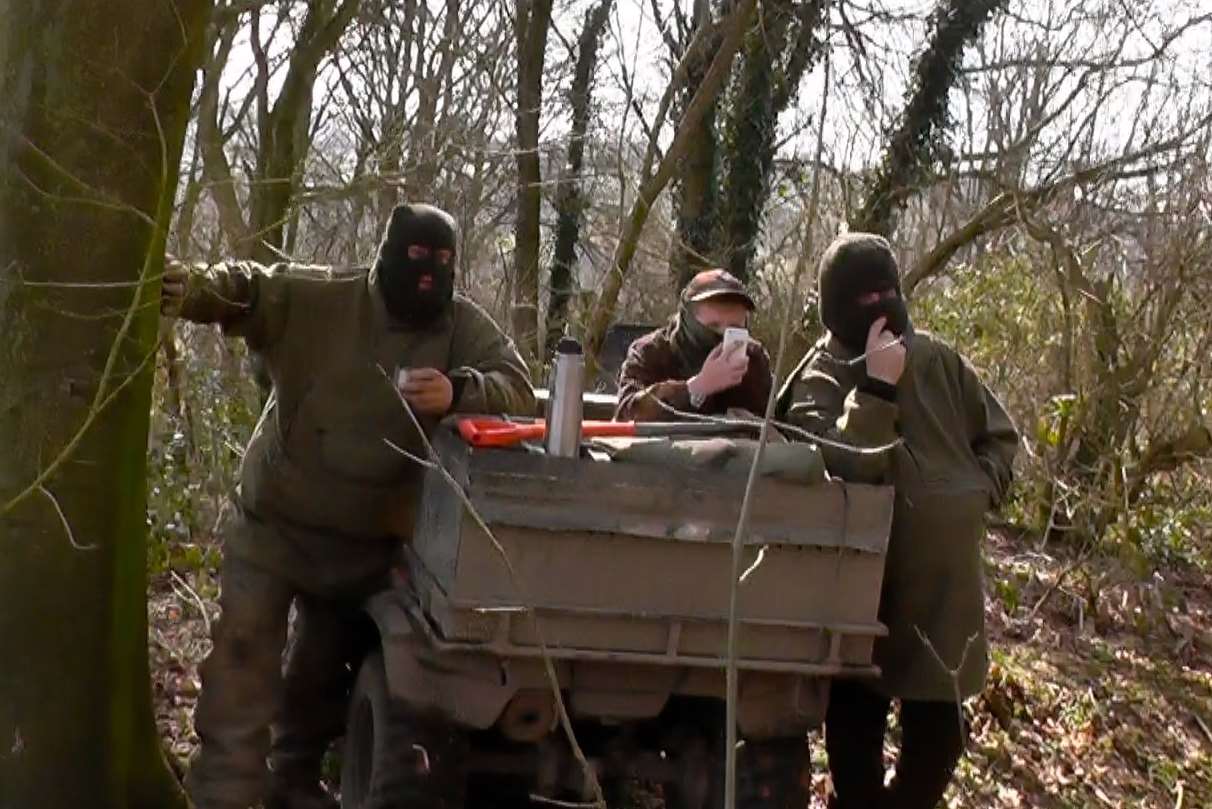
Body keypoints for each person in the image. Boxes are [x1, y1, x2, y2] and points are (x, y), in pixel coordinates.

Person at [161, 204, 535, 809]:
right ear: (389, 254)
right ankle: (223, 795)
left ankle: (292, 784)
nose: (428, 275)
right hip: (276, 525)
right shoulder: (325, 299)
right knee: (242, 661)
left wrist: (459, 390)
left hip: (367, 545)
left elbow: (518, 384)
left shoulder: (459, 324)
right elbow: (249, 291)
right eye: (415, 259)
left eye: (442, 264)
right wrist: (193, 287)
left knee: (316, 676)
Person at [777, 232, 1019, 809]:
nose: (883, 306)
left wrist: (976, 489)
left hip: (944, 595)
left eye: (890, 291)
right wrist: (876, 387)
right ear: (838, 306)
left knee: (938, 745)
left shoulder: (937, 358)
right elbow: (837, 463)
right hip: (866, 593)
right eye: (867, 298)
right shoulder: (820, 377)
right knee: (855, 743)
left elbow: (1002, 437)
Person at [614, 268, 773, 421]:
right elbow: (627, 416)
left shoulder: (753, 358)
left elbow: (770, 425)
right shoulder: (650, 353)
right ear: (688, 320)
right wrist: (697, 387)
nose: (723, 337)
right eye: (713, 326)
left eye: (734, 329)